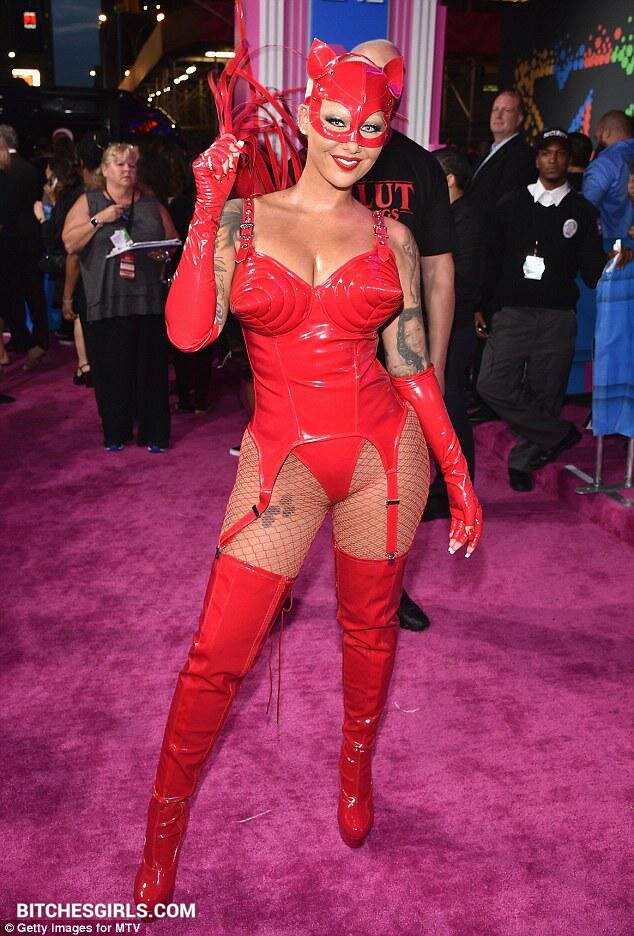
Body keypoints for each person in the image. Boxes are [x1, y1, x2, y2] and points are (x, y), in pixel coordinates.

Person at [133, 40, 482, 914]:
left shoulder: (393, 237)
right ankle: (162, 835)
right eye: (335, 121)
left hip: (382, 457)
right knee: (218, 654)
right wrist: (207, 205)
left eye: (372, 128)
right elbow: (187, 334)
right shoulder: (243, 221)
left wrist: (458, 474)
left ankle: (355, 770)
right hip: (282, 461)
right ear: (307, 112)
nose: (351, 142)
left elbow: (410, 366)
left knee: (371, 630)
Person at [350, 38, 455, 633]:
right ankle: (279, 580)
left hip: (401, 357)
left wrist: (435, 363)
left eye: (386, 75)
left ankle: (388, 586)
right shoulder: (321, 152)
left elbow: (439, 272)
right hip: (328, 353)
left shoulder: (420, 167)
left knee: (399, 480)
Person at [477, 128, 605, 491]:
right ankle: (557, 433)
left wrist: (619, 253)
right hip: (512, 312)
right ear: (537, 159)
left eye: (560, 153)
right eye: (546, 152)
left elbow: (592, 272)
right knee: (491, 384)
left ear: (569, 160)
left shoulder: (582, 211)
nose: (553, 159)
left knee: (545, 392)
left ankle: (524, 460)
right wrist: (481, 305)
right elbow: (491, 259)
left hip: (557, 315)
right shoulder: (510, 204)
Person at [63, 143, 178, 452]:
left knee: (151, 372)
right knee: (111, 373)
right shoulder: (89, 202)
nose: (128, 170)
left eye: (132, 165)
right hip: (105, 302)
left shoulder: (151, 204)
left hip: (146, 301)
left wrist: (163, 253)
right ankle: (116, 431)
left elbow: (172, 242)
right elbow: (70, 244)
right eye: (120, 165)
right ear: (104, 170)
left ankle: (155, 433)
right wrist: (99, 219)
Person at [0, 124, 49, 368]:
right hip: (32, 239)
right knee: (34, 293)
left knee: (11, 295)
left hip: (9, 241)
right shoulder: (30, 168)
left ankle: (25, 341)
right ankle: (40, 339)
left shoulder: (4, 171)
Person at [466, 90, 536, 221]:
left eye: (506, 110)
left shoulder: (522, 156)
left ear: (519, 118)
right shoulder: (489, 152)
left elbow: (506, 203)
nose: (498, 115)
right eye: (495, 109)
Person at [582, 110, 634, 250]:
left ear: (607, 132)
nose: (597, 142)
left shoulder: (603, 164)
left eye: (597, 137)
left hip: (612, 252)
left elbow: (584, 212)